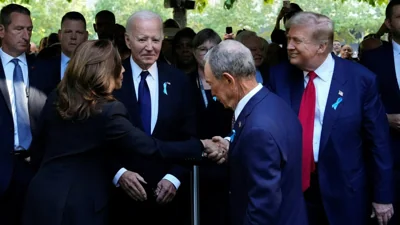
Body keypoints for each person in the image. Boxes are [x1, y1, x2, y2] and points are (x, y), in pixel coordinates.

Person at [21, 40, 225, 225]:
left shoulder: (58, 95)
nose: (124, 70)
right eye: (118, 64)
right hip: (80, 206)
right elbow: (149, 147)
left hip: (42, 196)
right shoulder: (108, 111)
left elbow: (38, 148)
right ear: (104, 71)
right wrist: (201, 145)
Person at [268, 12, 394, 225]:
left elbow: (378, 142)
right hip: (292, 191)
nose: (288, 46)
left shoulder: (361, 80)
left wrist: (383, 196)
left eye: (297, 40)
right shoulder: (278, 76)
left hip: (345, 192)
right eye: (289, 39)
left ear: (322, 46)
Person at [207, 40, 308, 225]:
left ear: (229, 80)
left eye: (211, 84)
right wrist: (233, 145)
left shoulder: (258, 129)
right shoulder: (275, 103)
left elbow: (263, 207)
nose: (212, 93)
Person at [110, 10, 196, 225]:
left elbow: (191, 137)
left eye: (155, 39)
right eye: (142, 39)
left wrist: (174, 177)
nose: (150, 47)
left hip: (170, 199)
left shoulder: (179, 81)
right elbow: (99, 138)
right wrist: (119, 174)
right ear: (128, 41)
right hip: (120, 201)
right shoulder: (111, 81)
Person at [0, 4, 47, 225]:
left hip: (35, 168)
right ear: (1, 31)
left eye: (29, 30)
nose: (26, 35)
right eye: (19, 29)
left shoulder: (43, 70)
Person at [361, 1, 400, 224]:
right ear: (388, 23)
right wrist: (384, 119)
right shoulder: (373, 60)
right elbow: (359, 107)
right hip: (389, 161)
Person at [190, 28, 232, 225]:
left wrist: (223, 147)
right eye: (202, 49)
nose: (207, 53)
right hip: (194, 159)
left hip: (223, 158)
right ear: (193, 52)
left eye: (212, 49)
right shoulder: (183, 82)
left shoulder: (229, 82)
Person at [34, 11, 88, 96]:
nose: (73, 37)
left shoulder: (96, 68)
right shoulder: (42, 68)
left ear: (86, 36)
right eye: (68, 32)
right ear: (60, 35)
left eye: (79, 32)